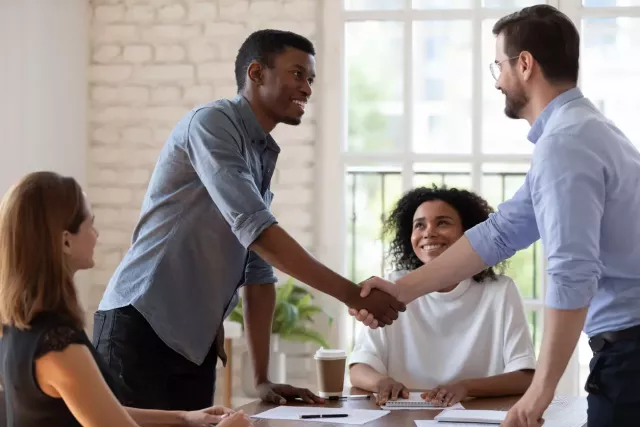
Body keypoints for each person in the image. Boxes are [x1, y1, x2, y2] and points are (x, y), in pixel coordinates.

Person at [353, 5, 640, 427]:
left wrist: (538, 394)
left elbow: (573, 272)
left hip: (630, 354)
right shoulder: (583, 133)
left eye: (498, 65)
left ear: (525, 64)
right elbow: (501, 234)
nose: (496, 81)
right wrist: (398, 292)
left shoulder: (565, 145)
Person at [93, 29, 405, 411]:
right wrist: (353, 295)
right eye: (297, 74)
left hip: (194, 346)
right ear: (256, 73)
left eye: (311, 79)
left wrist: (260, 379)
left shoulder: (259, 154)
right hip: (140, 327)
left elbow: (258, 274)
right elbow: (259, 233)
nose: (307, 88)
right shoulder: (212, 124)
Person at [0, 171, 249, 427]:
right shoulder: (59, 346)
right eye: (90, 224)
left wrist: (185, 417)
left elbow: (104, 411)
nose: (96, 234)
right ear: (66, 241)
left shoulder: (20, 330)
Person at [349, 187, 535, 407]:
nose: (429, 232)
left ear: (470, 234)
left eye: (443, 223)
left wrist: (465, 387)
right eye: (419, 225)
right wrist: (382, 382)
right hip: (403, 417)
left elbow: (525, 377)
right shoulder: (392, 287)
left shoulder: (499, 290)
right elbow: (360, 366)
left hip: (473, 416)